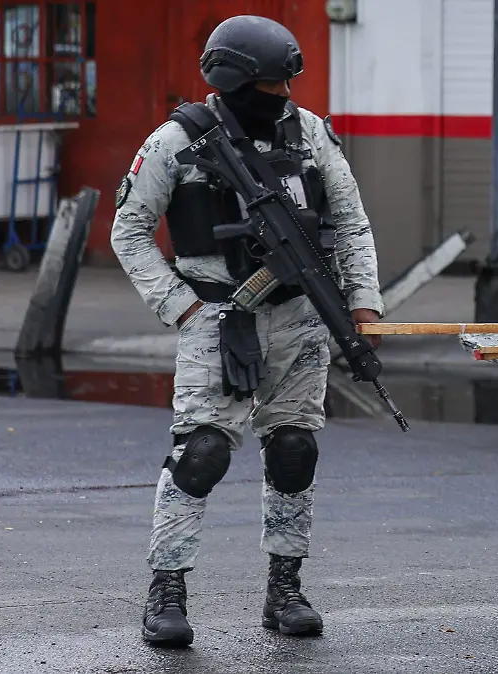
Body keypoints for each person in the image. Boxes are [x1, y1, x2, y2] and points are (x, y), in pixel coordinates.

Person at [109, 15, 385, 647]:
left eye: (288, 82)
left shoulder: (310, 134)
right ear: (234, 83)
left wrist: (363, 304)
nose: (284, 96)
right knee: (201, 454)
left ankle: (284, 590)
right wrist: (179, 305)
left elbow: (349, 223)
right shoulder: (175, 141)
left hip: (299, 318)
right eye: (271, 85)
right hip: (217, 317)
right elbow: (128, 230)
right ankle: (166, 592)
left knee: (294, 451)